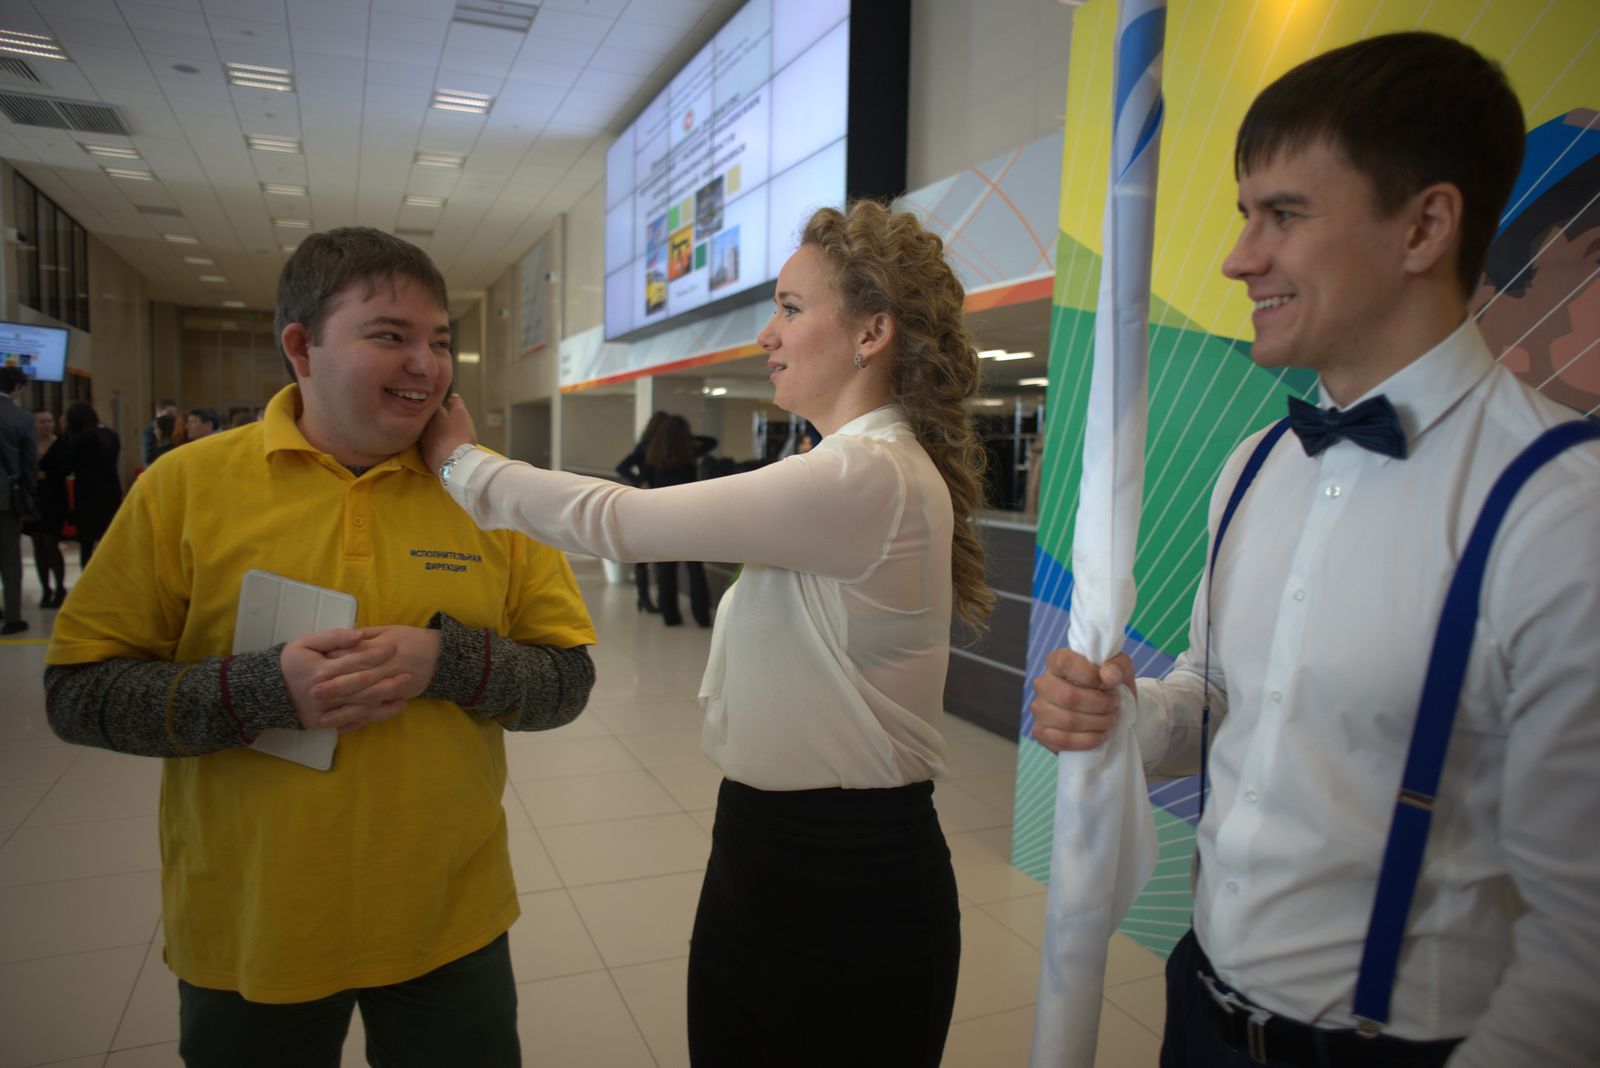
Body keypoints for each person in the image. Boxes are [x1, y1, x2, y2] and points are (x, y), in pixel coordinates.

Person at [1030, 32, 1600, 1068]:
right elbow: (1216, 695)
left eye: (1283, 215)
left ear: (1424, 225)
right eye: (1245, 214)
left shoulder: (1563, 510)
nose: (1239, 257)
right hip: (1196, 1011)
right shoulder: (1254, 467)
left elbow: (1583, 939)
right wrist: (1126, 716)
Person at [422, 199, 994, 1067]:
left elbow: (620, 521)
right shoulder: (843, 467)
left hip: (846, 875)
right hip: (767, 848)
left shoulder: (870, 476)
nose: (768, 334)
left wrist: (463, 464)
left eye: (790, 308)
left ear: (872, 332)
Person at [44, 226, 597, 1068]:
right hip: (254, 923)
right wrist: (264, 690)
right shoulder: (184, 487)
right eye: (391, 335)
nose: (426, 365)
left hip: (449, 916)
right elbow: (79, 694)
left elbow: (566, 682)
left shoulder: (490, 495)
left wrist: (446, 663)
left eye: (439, 341)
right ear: (301, 347)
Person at [640, 414, 712, 627]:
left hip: (663, 518)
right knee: (695, 570)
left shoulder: (652, 457)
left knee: (666, 570)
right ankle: (701, 616)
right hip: (689, 517)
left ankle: (670, 616)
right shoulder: (689, 454)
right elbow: (711, 442)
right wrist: (688, 437)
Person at [615, 409, 669, 613]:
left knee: (654, 553)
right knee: (645, 552)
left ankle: (649, 598)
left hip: (657, 502)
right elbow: (622, 466)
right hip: (647, 502)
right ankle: (644, 597)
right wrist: (640, 481)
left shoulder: (664, 449)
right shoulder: (646, 447)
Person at [61, 401, 123, 569]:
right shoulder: (110, 435)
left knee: (86, 543)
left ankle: (88, 577)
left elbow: (67, 465)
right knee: (108, 538)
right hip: (110, 491)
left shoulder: (81, 440)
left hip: (87, 494)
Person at [0, 366, 36, 635]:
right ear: (17, 388)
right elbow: (28, 462)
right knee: (10, 556)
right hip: (6, 494)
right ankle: (13, 616)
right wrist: (30, 494)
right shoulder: (22, 418)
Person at [27, 408, 68, 608]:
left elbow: (65, 468)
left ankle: (60, 587)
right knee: (37, 545)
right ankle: (45, 588)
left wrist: (47, 475)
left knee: (50, 543)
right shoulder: (29, 444)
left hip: (54, 499)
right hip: (34, 499)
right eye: (41, 422)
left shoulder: (60, 444)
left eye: (49, 421)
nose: (46, 425)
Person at [142, 399, 179, 465]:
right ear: (158, 412)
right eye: (170, 413)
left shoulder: (176, 428)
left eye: (176, 413)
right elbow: (148, 458)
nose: (174, 416)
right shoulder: (150, 431)